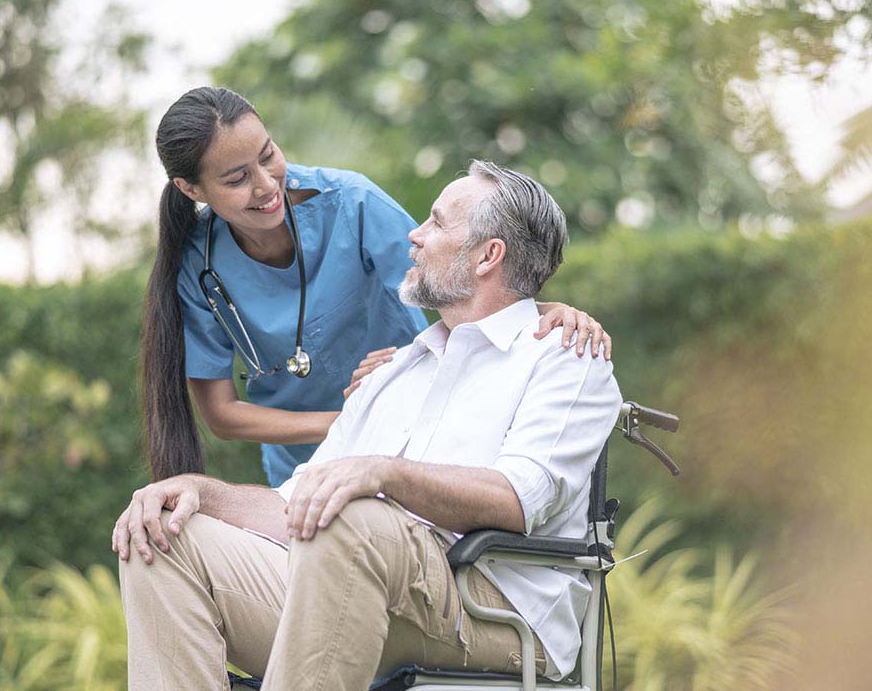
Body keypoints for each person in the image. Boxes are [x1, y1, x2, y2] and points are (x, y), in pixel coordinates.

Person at [114, 160, 622, 690]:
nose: (415, 235)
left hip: (493, 609)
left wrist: (385, 475)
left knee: (352, 516)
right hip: (354, 578)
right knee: (160, 537)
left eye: (437, 222)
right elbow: (297, 502)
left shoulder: (564, 358)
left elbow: (518, 498)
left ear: (488, 256)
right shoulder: (394, 370)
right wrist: (196, 490)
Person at [143, 87, 612, 487]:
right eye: (237, 179)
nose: (266, 185)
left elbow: (461, 276)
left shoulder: (352, 203)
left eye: (268, 156)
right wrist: (355, 419)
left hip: (407, 445)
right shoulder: (195, 265)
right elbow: (223, 414)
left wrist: (546, 308)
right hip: (301, 465)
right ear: (192, 190)